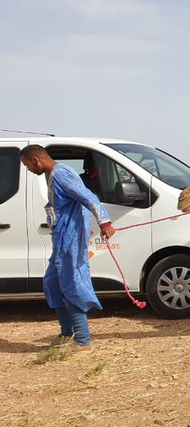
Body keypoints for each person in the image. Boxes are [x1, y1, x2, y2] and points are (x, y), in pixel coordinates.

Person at [19, 145, 115, 352]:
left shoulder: (61, 174)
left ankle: (82, 340)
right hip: (61, 239)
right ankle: (67, 334)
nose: (28, 170)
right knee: (53, 283)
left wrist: (104, 222)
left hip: (70, 238)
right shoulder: (55, 174)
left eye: (27, 165)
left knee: (71, 283)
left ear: (35, 160)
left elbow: (88, 197)